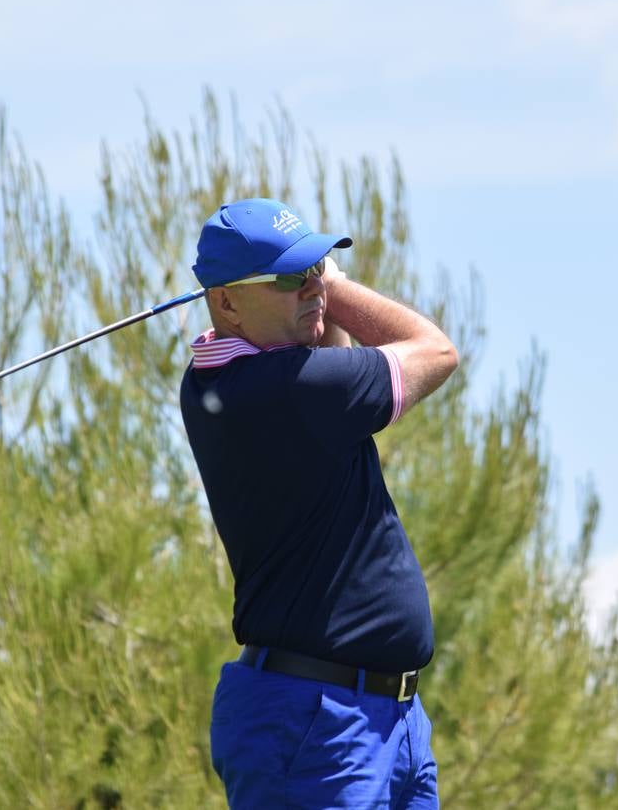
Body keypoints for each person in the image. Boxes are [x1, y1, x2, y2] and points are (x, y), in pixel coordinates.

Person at [179, 197, 458, 809]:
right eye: (290, 277)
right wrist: (336, 285)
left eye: (315, 267)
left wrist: (307, 291)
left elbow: (324, 351)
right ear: (225, 301)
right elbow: (436, 351)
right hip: (318, 725)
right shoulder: (291, 391)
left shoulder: (218, 382)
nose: (310, 286)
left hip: (381, 720)